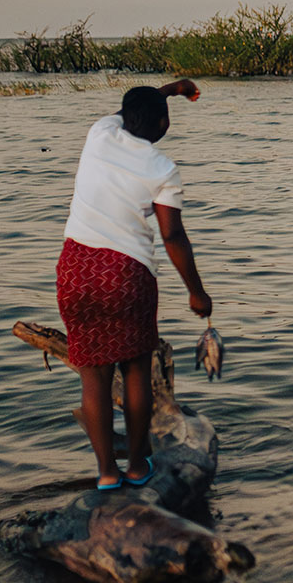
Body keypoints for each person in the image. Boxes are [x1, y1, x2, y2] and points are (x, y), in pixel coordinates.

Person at [57, 80, 211, 492]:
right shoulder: (163, 168)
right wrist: (196, 291)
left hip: (76, 268)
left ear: (124, 117)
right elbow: (172, 236)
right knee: (137, 368)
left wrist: (172, 88)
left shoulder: (99, 134)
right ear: (162, 124)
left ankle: (107, 472)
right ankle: (139, 466)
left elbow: (132, 109)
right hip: (127, 274)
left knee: (94, 379)